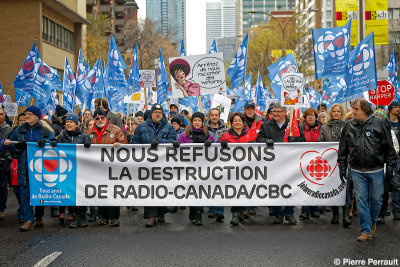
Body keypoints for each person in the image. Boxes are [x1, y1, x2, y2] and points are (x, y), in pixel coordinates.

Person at [338, 99, 397, 242]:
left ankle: (372, 222)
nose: (352, 111)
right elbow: (343, 150)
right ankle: (366, 229)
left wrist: (389, 170)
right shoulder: (348, 125)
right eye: (352, 109)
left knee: (377, 200)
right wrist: (342, 168)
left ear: (365, 110)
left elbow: (390, 150)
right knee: (360, 199)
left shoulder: (380, 123)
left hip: (376, 170)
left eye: (356, 109)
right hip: (356, 171)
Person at [10, 106, 57, 231]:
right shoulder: (19, 130)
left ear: (37, 116)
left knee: (39, 192)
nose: (27, 116)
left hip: (40, 168)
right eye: (26, 114)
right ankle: (29, 220)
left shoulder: (45, 129)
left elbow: (54, 142)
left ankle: (39, 216)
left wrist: (45, 142)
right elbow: (11, 146)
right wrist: (17, 147)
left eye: (30, 114)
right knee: (24, 193)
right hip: (24, 165)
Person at [256, 103, 304, 225]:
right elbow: (259, 138)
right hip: (273, 163)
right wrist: (266, 141)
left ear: (285, 112)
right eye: (274, 111)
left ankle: (289, 213)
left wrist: (295, 140)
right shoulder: (266, 125)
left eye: (278, 111)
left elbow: (302, 141)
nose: (276, 113)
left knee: (290, 188)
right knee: (274, 188)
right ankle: (278, 214)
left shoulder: (292, 124)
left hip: (289, 162)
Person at [131, 103, 176, 227]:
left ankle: (161, 213)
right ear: (151, 114)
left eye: (160, 113)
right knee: (149, 190)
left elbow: (173, 140)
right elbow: (135, 142)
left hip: (163, 164)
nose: (157, 114)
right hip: (147, 164)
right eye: (155, 112)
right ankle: (151, 217)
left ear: (162, 114)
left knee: (162, 189)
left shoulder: (168, 126)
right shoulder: (141, 127)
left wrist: (161, 142)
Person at [87, 107, 126, 227]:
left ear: (106, 118)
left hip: (113, 166)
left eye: (102, 117)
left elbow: (125, 145)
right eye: (97, 118)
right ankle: (103, 216)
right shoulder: (89, 132)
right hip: (97, 167)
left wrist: (120, 144)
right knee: (101, 191)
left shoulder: (116, 129)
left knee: (114, 191)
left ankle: (114, 217)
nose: (99, 120)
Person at [219, 112, 259, 226]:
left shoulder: (249, 135)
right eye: (235, 121)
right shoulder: (226, 135)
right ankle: (235, 213)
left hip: (246, 168)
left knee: (244, 190)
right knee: (235, 190)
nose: (237, 122)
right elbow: (217, 149)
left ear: (243, 123)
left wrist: (255, 143)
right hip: (232, 168)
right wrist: (220, 144)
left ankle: (240, 211)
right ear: (231, 123)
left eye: (239, 121)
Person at [176, 112, 215, 225]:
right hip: (189, 168)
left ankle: (198, 213)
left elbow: (215, 149)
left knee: (200, 190)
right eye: (195, 120)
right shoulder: (184, 135)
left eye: (199, 120)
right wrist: (176, 145)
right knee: (191, 190)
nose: (197, 122)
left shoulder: (208, 135)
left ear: (203, 122)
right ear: (192, 122)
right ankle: (193, 209)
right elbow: (178, 148)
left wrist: (211, 143)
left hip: (203, 168)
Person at [56, 114, 91, 228]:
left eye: (71, 122)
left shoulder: (84, 136)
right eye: (67, 122)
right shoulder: (61, 136)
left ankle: (83, 216)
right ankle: (75, 217)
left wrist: (89, 146)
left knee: (82, 192)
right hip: (68, 170)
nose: (69, 124)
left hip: (82, 169)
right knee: (72, 193)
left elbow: (91, 152)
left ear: (77, 123)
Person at [318, 104, 350, 227]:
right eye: (334, 111)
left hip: (345, 161)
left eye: (338, 111)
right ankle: (335, 214)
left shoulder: (348, 126)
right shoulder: (325, 127)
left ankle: (345, 215)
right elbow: (320, 143)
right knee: (334, 188)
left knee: (345, 188)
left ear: (341, 113)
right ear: (331, 113)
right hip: (330, 162)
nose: (336, 113)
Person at [298, 107, 322, 220]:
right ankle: (305, 210)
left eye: (312, 115)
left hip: (319, 160)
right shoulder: (300, 127)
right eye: (308, 115)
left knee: (316, 184)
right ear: (305, 117)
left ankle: (315, 209)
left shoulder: (322, 127)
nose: (310, 117)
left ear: (316, 117)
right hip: (304, 160)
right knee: (306, 185)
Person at [385, 101, 400, 220]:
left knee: (397, 184)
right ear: (390, 109)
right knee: (389, 184)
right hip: (387, 157)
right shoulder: (384, 123)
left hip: (399, 157)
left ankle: (396, 209)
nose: (398, 109)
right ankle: (389, 210)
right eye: (395, 107)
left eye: (399, 107)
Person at [0, 107, 13, 218]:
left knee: (3, 187)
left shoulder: (9, 129)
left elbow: (10, 146)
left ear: (4, 115)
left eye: (1, 114)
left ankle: (1, 209)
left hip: (3, 162)